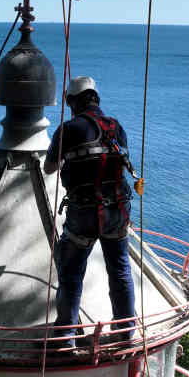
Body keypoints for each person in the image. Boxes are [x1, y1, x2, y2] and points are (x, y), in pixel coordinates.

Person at [43, 76, 142, 347]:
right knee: (120, 269)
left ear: (72, 101)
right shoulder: (116, 127)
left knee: (71, 270)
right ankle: (125, 331)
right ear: (96, 98)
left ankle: (65, 336)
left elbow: (49, 168)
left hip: (84, 213)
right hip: (117, 212)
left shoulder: (68, 129)